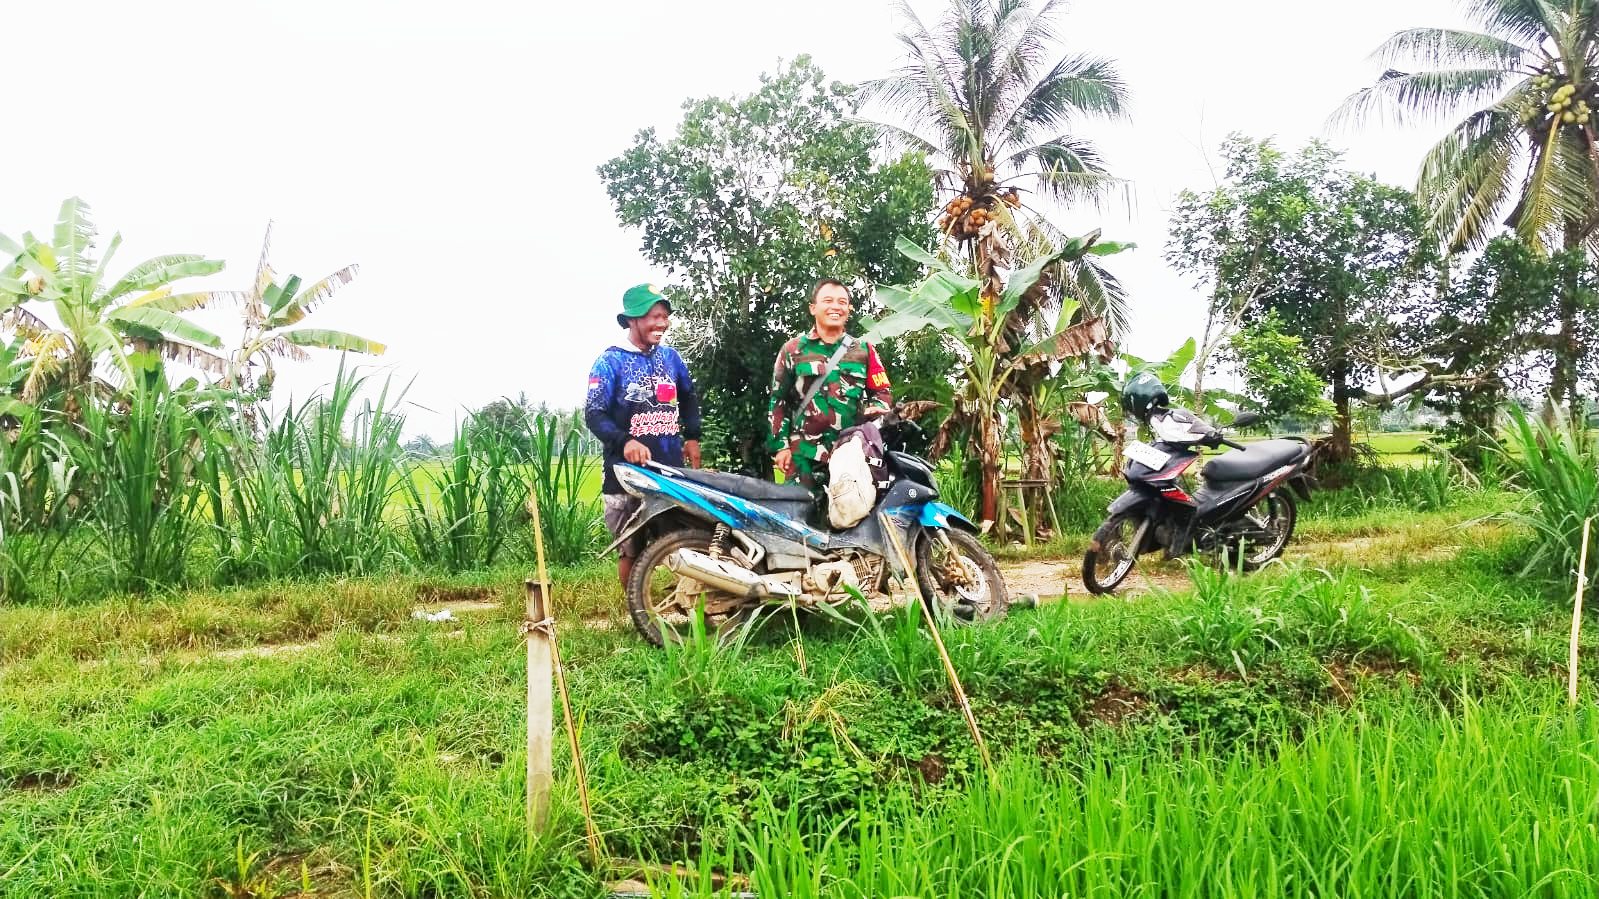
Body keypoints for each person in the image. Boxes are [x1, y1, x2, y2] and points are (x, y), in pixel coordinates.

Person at [585, 283, 701, 585]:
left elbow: (689, 397)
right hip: (626, 475)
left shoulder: (671, 358)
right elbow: (594, 414)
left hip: (669, 471)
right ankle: (635, 607)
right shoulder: (610, 361)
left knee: (680, 543)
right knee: (631, 549)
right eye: (654, 316)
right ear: (632, 320)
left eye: (665, 316)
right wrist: (625, 441)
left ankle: (684, 604)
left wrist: (692, 437)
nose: (662, 323)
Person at [768, 278, 892, 490]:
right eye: (828, 301)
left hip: (850, 454)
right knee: (797, 508)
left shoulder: (864, 350)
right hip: (802, 455)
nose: (836, 306)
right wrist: (781, 447)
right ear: (813, 308)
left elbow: (882, 392)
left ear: (849, 309)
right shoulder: (792, 350)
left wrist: (877, 408)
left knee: (848, 509)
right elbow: (778, 400)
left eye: (842, 302)